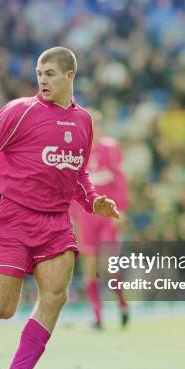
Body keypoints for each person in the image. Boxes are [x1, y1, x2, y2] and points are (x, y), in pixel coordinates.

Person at [0, 47, 120, 369]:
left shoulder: (84, 120)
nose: (42, 79)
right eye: (39, 72)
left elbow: (78, 173)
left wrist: (93, 200)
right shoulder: (20, 111)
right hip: (15, 218)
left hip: (56, 222)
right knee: (0, 309)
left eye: (50, 73)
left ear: (70, 76)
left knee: (55, 295)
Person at [69, 109, 129, 329]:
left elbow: (120, 179)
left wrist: (121, 209)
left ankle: (122, 303)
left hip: (107, 213)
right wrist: (73, 217)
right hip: (86, 217)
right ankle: (97, 316)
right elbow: (72, 188)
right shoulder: (75, 152)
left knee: (110, 264)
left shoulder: (110, 148)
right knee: (90, 264)